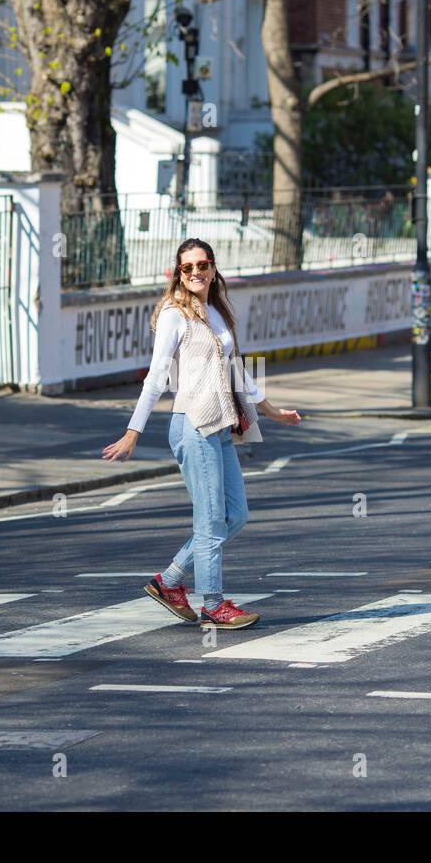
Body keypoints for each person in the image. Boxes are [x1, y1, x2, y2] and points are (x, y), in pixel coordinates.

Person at [102, 238, 302, 629]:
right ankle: (212, 603)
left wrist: (273, 412)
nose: (196, 272)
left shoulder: (217, 312)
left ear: (213, 268)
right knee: (211, 520)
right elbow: (157, 376)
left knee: (236, 515)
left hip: (221, 425)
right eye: (187, 267)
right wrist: (132, 431)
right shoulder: (174, 315)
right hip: (192, 424)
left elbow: (237, 370)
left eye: (202, 264)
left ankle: (170, 581)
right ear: (179, 273)